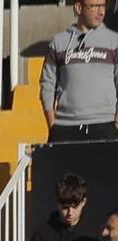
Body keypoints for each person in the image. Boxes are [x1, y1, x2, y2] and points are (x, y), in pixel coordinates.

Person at [40, 0, 118, 141]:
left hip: (105, 125)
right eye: (94, 6)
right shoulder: (58, 42)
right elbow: (48, 83)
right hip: (64, 127)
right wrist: (52, 122)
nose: (101, 12)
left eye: (103, 6)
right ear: (78, 8)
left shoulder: (114, 41)